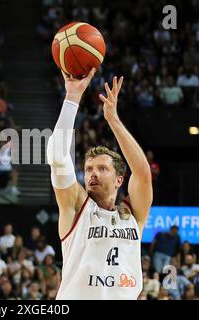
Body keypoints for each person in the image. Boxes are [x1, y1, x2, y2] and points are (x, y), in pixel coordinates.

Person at [47, 69, 152, 299]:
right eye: (88, 169)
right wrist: (73, 97)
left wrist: (113, 120)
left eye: (102, 169)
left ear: (118, 180)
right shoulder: (76, 205)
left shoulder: (133, 213)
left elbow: (143, 173)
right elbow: (56, 155)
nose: (92, 174)